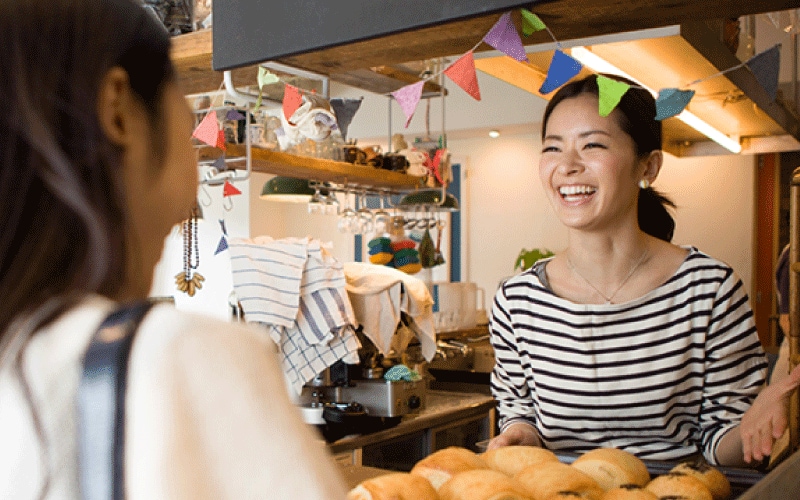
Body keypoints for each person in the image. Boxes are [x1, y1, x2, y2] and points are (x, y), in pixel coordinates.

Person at [0, 1, 347, 498]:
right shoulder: (178, 357)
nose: (192, 187)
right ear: (118, 112)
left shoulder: (17, 356)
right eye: (184, 117)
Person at [487, 74, 800, 468]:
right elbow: (522, 415)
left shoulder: (708, 289)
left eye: (592, 145)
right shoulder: (517, 301)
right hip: (563, 494)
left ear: (648, 166)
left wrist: (756, 426)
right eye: (553, 148)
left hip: (674, 494)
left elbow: (723, 442)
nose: (567, 165)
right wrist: (518, 433)